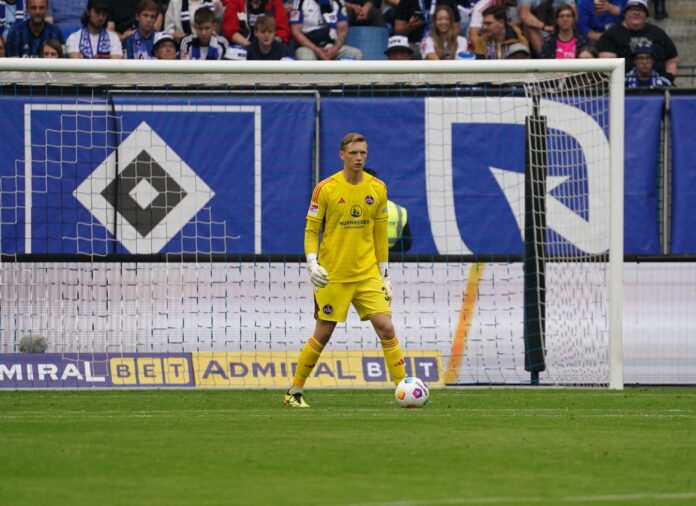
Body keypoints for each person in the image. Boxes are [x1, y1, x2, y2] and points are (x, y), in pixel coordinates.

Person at [283, 133, 406, 408]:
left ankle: (404, 389)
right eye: (353, 153)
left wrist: (384, 275)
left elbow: (379, 234)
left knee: (386, 328)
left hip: (366, 275)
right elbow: (312, 229)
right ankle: (294, 392)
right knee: (323, 334)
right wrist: (312, 263)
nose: (359, 158)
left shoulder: (378, 189)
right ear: (342, 155)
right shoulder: (325, 189)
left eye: (363, 152)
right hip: (333, 276)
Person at [597, 0, 678, 82]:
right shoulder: (610, 35)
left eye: (641, 10)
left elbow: (672, 59)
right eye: (632, 10)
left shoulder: (658, 33)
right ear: (625, 13)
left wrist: (667, 79)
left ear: (646, 15)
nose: (636, 13)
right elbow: (607, 68)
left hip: (657, 87)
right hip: (621, 87)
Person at [289, 0, 363, 60]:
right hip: (308, 47)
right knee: (306, 58)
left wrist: (335, 49)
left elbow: (342, 29)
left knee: (356, 54)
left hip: (332, 47)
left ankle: (339, 78)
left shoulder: (338, 2)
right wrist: (316, 50)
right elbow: (296, 31)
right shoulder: (299, 2)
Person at [393, 0, 461, 59]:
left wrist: (442, 43)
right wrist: (409, 26)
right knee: (402, 52)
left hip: (440, 43)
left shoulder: (448, 1)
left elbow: (456, 29)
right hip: (413, 44)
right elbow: (398, 31)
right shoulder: (407, 1)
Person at [221, 0, 291, 46]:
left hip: (270, 48)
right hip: (242, 46)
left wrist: (269, 46)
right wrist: (251, 47)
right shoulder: (235, 2)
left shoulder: (275, 3)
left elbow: (283, 31)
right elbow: (230, 31)